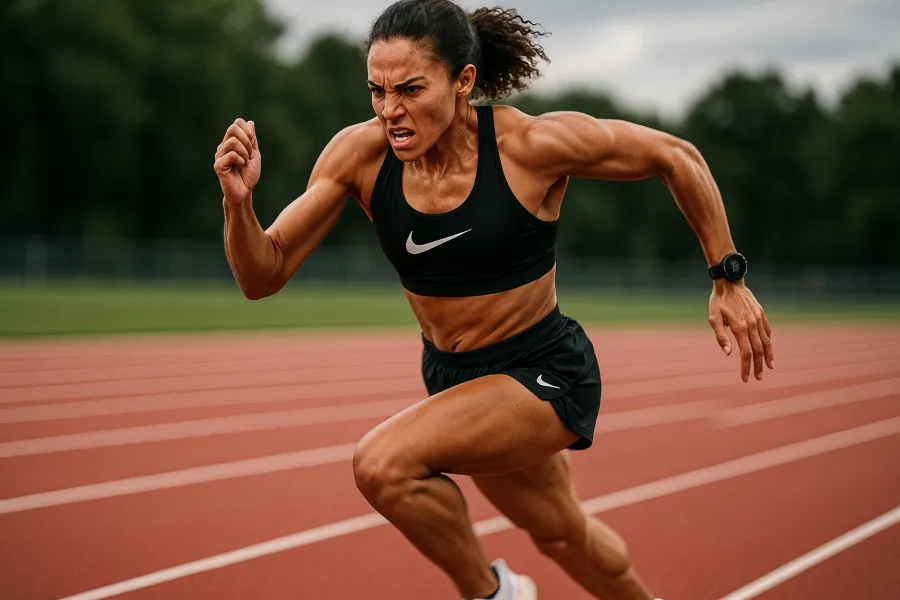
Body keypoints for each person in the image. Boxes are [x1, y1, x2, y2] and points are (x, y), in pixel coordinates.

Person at [214, 1, 775, 598]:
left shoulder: (527, 146)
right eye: (376, 91)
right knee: (562, 534)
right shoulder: (361, 156)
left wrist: (728, 278)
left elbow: (676, 156)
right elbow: (262, 274)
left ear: (463, 82)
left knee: (382, 464)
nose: (389, 111)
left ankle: (494, 594)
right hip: (458, 380)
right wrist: (238, 205)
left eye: (409, 89)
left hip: (544, 370)